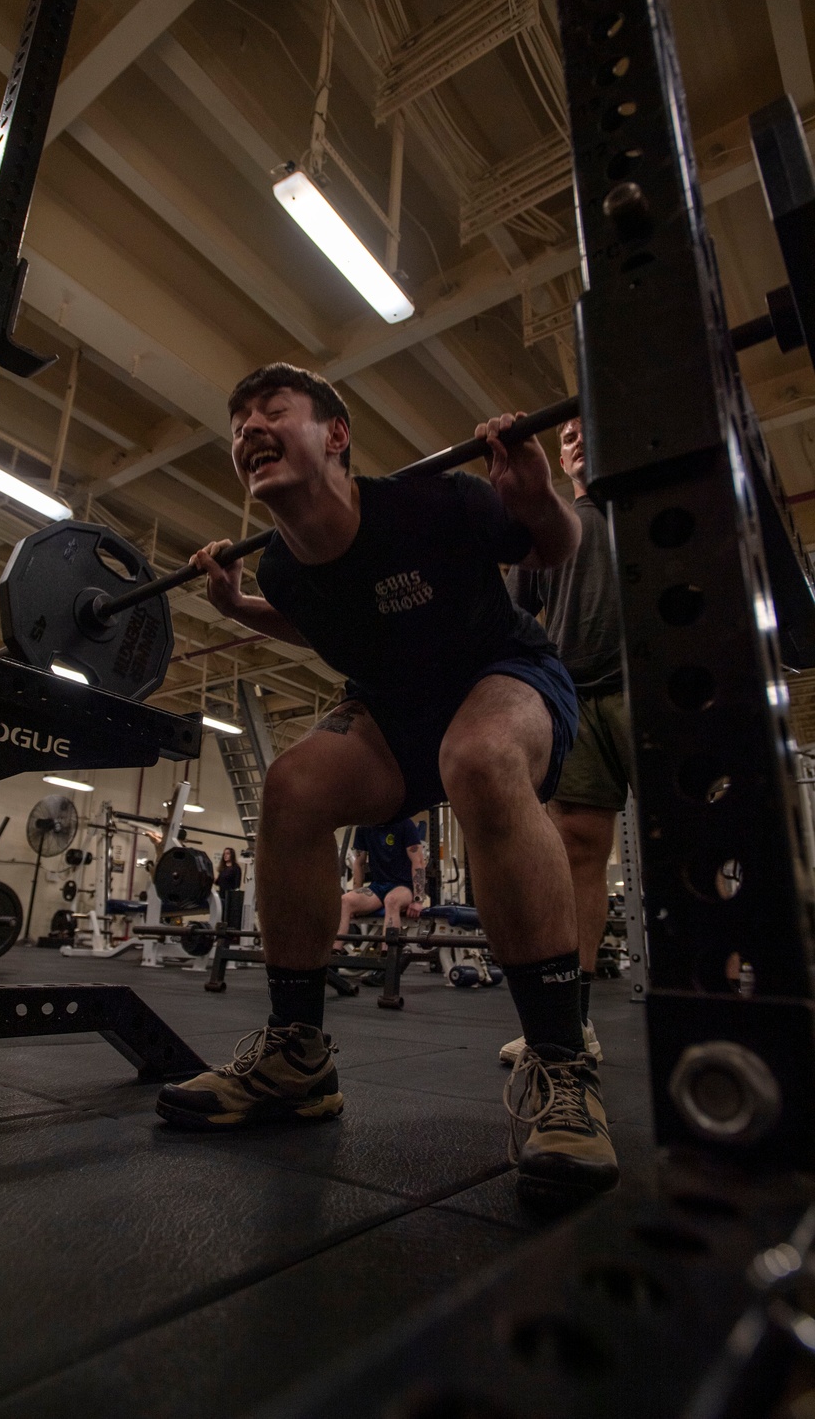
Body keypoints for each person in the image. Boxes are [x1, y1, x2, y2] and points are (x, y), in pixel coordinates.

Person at [156, 364, 618, 1203]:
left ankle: (561, 1067)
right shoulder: (289, 572)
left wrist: (536, 496)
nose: (249, 428)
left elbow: (557, 548)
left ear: (336, 434)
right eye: (239, 422)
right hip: (394, 711)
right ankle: (298, 1056)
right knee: (292, 788)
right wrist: (236, 610)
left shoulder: (434, 503)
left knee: (476, 758)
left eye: (273, 410)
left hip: (505, 671)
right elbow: (308, 620)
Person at [500, 413, 633, 1068]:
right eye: (568, 435)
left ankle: (720, 1009)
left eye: (589, 428)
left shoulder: (640, 499)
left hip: (651, 684)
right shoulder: (547, 523)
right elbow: (516, 615)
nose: (577, 439)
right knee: (578, 847)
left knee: (690, 844)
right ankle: (571, 1027)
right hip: (574, 695)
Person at [335, 818, 425, 949]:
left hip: (404, 887)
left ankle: (387, 957)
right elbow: (358, 863)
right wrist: (356, 893)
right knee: (345, 901)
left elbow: (418, 862)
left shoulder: (405, 824)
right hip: (378, 887)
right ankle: (334, 953)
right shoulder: (364, 827)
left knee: (391, 900)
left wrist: (418, 900)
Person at [216, 847, 242, 925]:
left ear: (232, 855)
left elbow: (237, 885)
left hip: (230, 897)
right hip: (221, 896)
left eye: (227, 853)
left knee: (228, 917)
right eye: (224, 854)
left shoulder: (236, 868)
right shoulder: (223, 868)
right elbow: (219, 882)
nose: (225, 855)